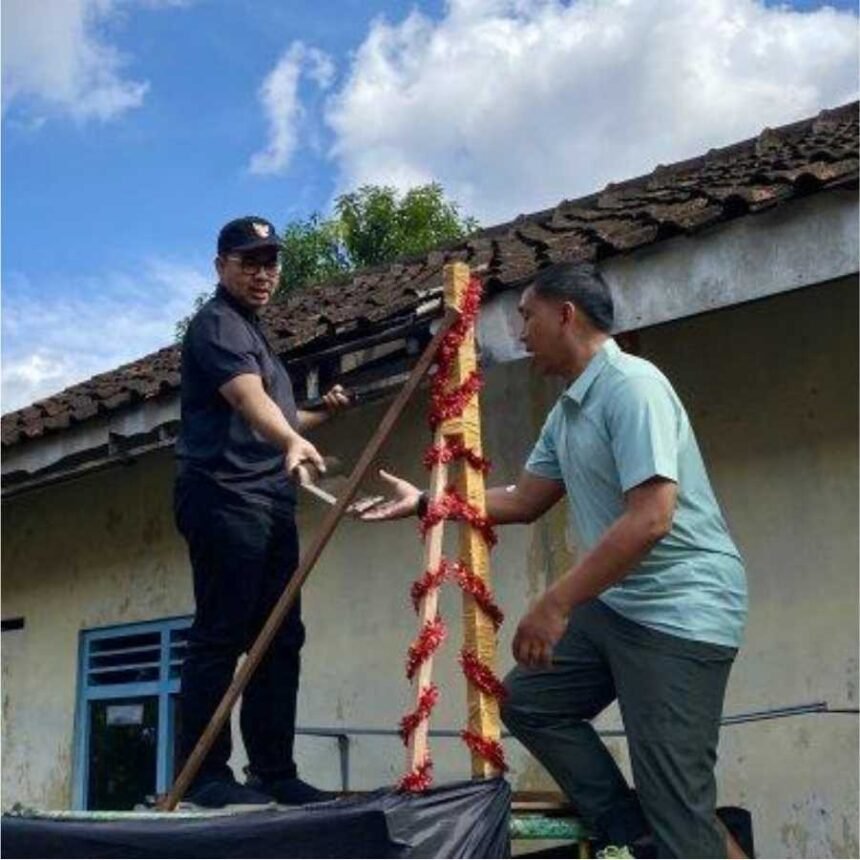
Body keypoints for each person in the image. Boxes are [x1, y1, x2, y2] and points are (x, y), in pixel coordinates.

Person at [358, 262, 748, 857]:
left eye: (526, 317)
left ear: (565, 314)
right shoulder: (568, 411)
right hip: (619, 605)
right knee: (530, 703)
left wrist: (554, 601)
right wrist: (426, 503)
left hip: (680, 611)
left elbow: (652, 517)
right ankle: (631, 832)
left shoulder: (632, 386)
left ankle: (676, 836)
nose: (519, 334)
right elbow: (522, 499)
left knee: (679, 810)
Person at [174, 216, 349, 808]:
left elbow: (281, 416)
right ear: (220, 264)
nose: (262, 273)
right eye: (249, 261)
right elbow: (250, 403)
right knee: (221, 634)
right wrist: (289, 441)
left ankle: (273, 771)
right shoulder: (216, 325)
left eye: (270, 262)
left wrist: (318, 415)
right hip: (224, 495)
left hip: (269, 497)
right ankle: (202, 778)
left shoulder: (256, 336)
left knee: (280, 636)